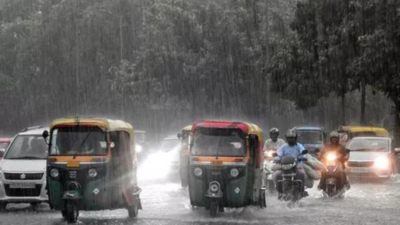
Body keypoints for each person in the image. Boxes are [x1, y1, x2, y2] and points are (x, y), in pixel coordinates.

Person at [273, 129, 308, 198]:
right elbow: (279, 154)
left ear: (295, 138)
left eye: (292, 138)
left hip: (297, 166)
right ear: (287, 138)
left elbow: (303, 153)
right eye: (289, 138)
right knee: (277, 175)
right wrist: (277, 159)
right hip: (285, 167)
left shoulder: (299, 146)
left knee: (302, 174)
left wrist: (303, 157)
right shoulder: (283, 146)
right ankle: (279, 191)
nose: (291, 140)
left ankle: (302, 191)